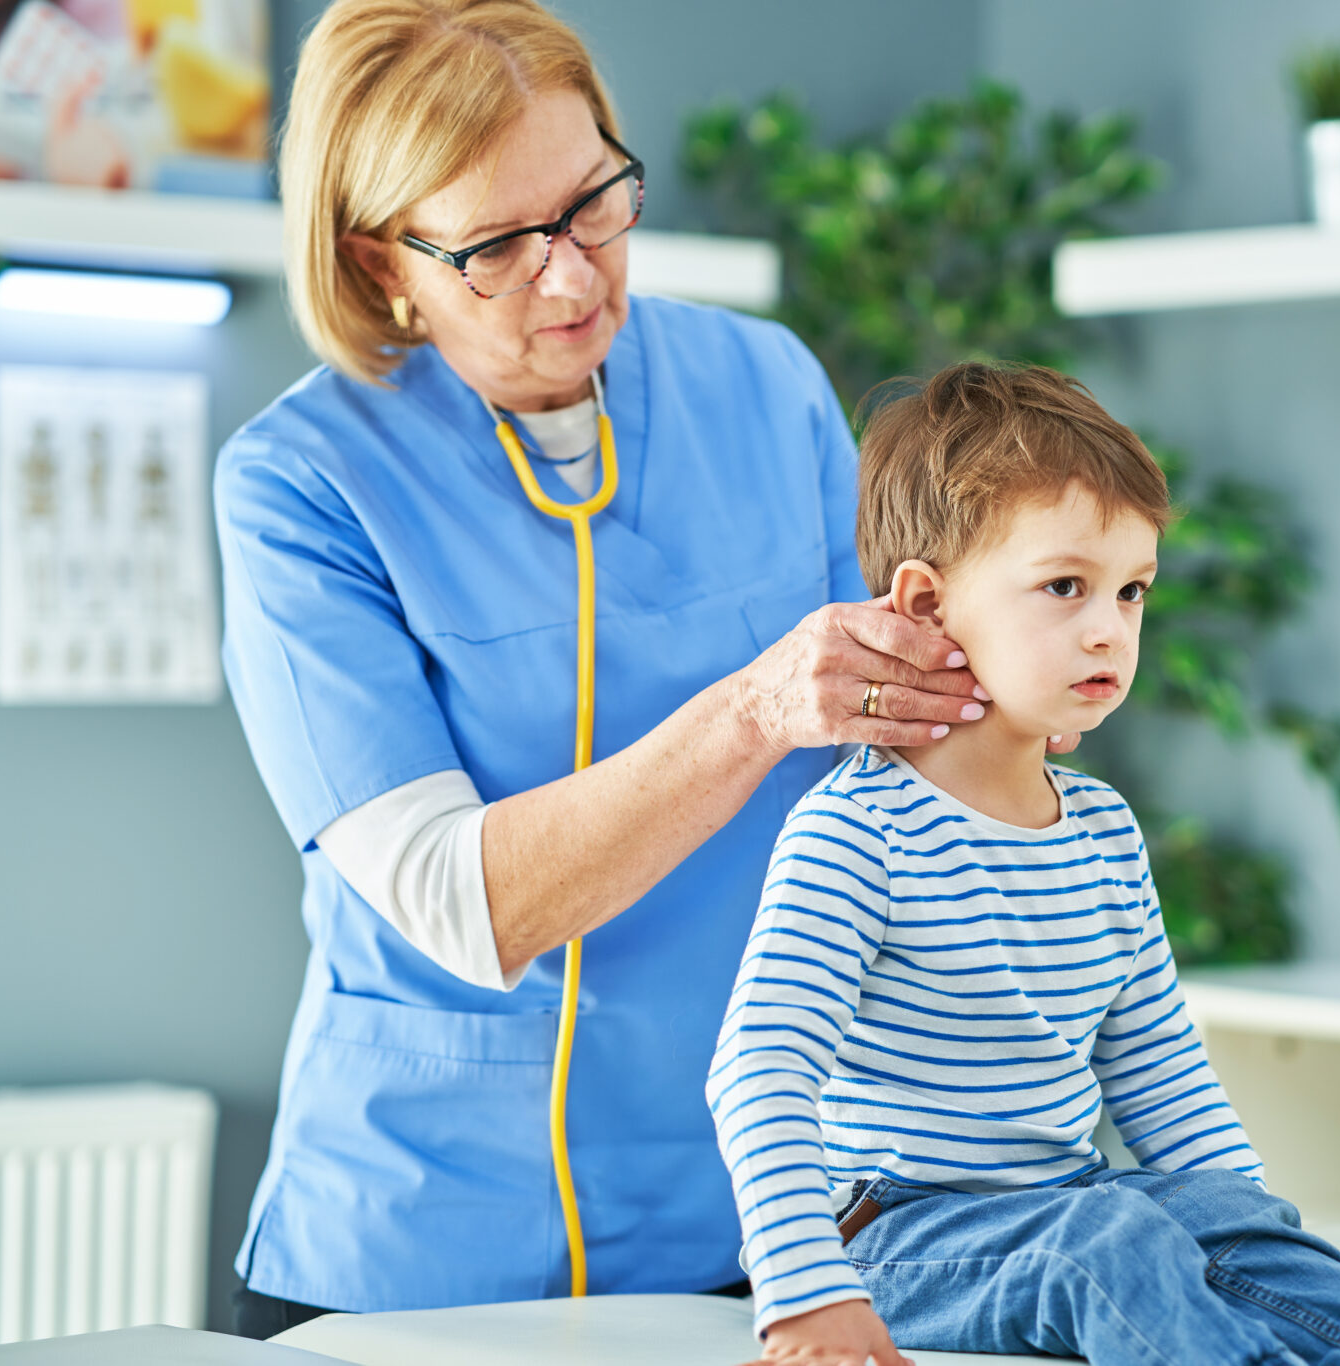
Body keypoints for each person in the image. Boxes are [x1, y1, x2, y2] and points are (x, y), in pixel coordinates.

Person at [214, 0, 1003, 1336]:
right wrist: (757, 709)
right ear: (380, 259)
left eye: (593, 203)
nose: (573, 278)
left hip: (741, 1226)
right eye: (495, 248)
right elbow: (459, 903)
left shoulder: (765, 387)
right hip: (415, 1250)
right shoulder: (301, 483)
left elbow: (885, 774)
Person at [706, 363, 1340, 1366]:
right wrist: (805, 1293)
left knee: (1268, 1250)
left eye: (1131, 590)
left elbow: (1159, 1071)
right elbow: (756, 1068)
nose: (1109, 625)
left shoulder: (1103, 833)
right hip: (891, 1239)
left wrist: (1246, 1233)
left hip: (1061, 1206)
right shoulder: (855, 835)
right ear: (927, 606)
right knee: (1106, 1239)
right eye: (1063, 586)